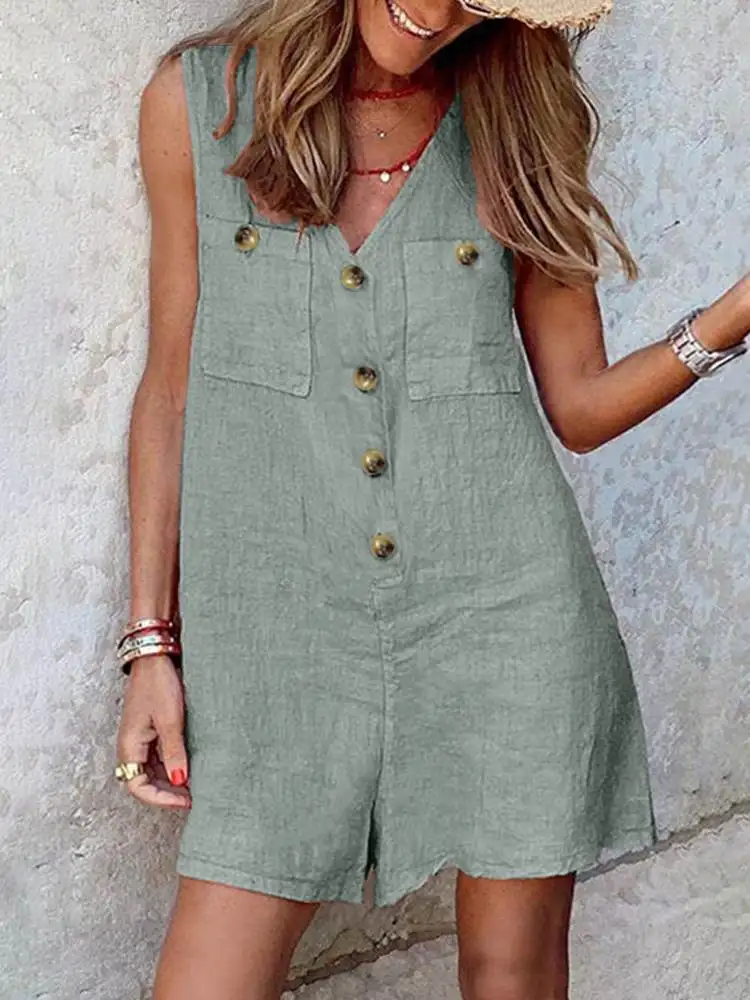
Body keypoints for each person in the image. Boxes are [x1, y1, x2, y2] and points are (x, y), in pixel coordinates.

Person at [114, 0, 750, 997]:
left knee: (512, 975)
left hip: (505, 623)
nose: (441, 11)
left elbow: (580, 405)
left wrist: (736, 311)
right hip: (276, 636)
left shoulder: (516, 126)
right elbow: (171, 388)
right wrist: (150, 644)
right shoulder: (200, 104)